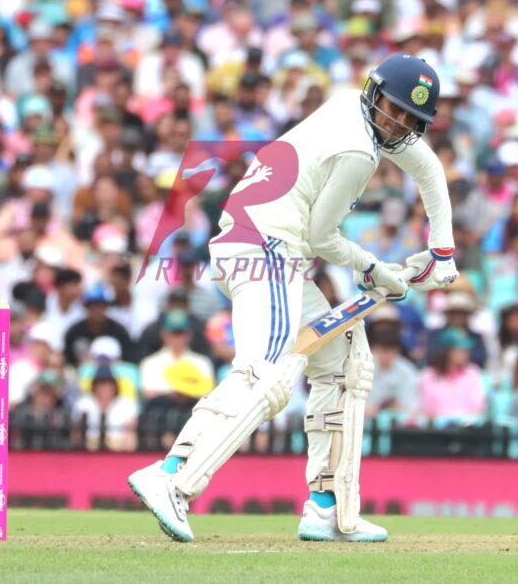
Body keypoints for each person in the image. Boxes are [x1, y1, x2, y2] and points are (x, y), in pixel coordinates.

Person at [128, 54, 457, 543]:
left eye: (412, 119)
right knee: (266, 373)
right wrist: (374, 269)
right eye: (394, 109)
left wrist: (443, 251)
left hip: (258, 245)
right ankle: (172, 475)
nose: (398, 125)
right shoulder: (359, 151)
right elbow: (322, 238)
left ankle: (327, 506)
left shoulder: (348, 105)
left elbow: (428, 168)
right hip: (266, 249)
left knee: (343, 360)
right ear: (375, 94)